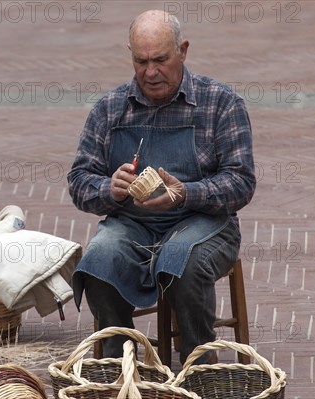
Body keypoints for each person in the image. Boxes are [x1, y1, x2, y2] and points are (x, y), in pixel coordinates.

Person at [67, 10, 256, 365]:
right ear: (130, 55)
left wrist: (186, 192)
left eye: (160, 60)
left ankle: (198, 366)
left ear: (182, 50)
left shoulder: (221, 103)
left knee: (180, 260)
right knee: (97, 259)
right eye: (141, 61)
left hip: (205, 224)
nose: (150, 73)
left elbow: (242, 182)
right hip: (132, 226)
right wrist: (110, 188)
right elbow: (79, 181)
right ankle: (119, 363)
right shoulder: (109, 110)